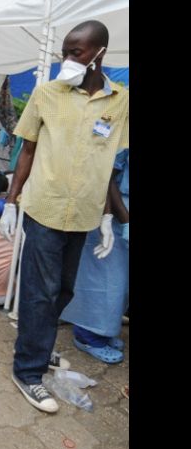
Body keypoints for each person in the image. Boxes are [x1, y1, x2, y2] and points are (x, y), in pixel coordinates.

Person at [0, 20, 129, 413]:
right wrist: (10, 201)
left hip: (86, 213)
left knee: (65, 290)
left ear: (100, 53)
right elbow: (27, 150)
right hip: (45, 208)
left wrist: (109, 218)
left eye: (77, 53)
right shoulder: (47, 94)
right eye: (65, 53)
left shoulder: (119, 101)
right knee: (40, 292)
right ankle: (28, 371)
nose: (68, 60)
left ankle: (37, 346)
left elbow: (111, 164)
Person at [61, 149, 129, 363]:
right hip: (114, 215)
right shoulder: (121, 129)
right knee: (106, 281)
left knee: (121, 284)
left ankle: (104, 331)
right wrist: (124, 220)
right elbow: (105, 177)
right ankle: (88, 336)